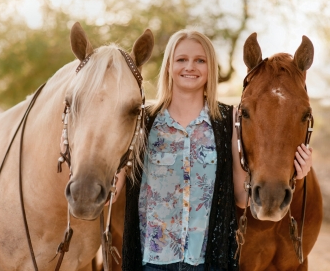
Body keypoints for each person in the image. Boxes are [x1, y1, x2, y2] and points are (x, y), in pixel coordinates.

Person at [113, 29, 312, 271]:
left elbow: (241, 198)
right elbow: (112, 190)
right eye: (181, 59)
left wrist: (295, 175)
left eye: (200, 60)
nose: (190, 67)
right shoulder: (143, 120)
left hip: (206, 263)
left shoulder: (228, 121)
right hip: (151, 263)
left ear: (211, 69)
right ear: (168, 66)